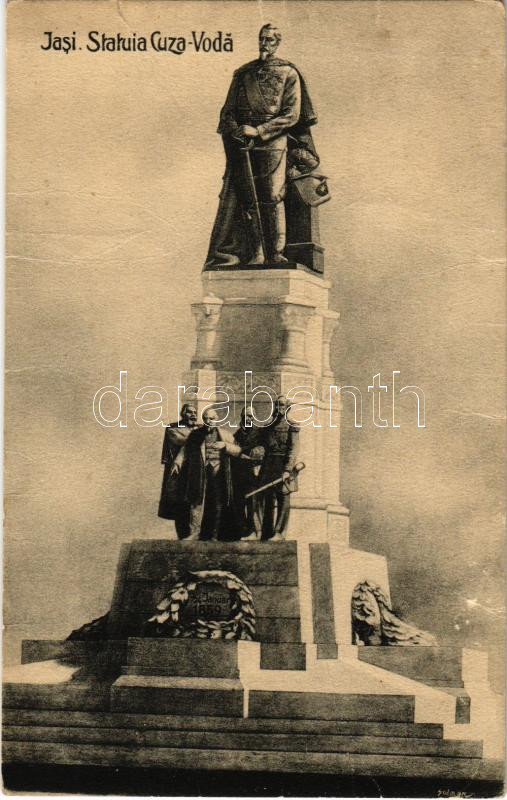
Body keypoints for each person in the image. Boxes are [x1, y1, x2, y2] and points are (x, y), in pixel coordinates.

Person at [205, 24, 321, 267]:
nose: (264, 44)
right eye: (262, 39)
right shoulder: (243, 74)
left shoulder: (289, 73)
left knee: (272, 196)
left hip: (273, 141)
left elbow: (291, 115)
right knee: (249, 199)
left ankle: (275, 252)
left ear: (277, 43)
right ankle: (256, 253)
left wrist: (259, 131)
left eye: (269, 40)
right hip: (244, 143)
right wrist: (237, 131)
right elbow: (227, 112)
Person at [171, 408, 241, 540]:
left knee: (217, 503)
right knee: (196, 501)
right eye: (206, 419)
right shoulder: (196, 434)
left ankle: (215, 534)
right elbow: (185, 449)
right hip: (200, 472)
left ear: (217, 419)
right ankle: (194, 533)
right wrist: (177, 462)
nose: (209, 421)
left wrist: (225, 446)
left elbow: (238, 450)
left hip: (219, 473)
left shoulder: (225, 435)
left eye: (211, 419)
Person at [258, 395, 300, 540]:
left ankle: (279, 533)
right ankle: (266, 532)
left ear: (287, 407)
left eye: (282, 405)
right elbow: (261, 445)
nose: (279, 408)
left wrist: (287, 469)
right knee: (268, 498)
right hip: (269, 465)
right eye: (277, 405)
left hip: (283, 466)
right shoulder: (267, 426)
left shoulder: (292, 426)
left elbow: (293, 449)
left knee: (283, 500)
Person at [157, 403, 198, 537]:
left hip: (195, 472)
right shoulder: (173, 428)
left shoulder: (199, 429)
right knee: (180, 504)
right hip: (180, 474)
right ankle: (183, 536)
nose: (193, 415)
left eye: (195, 413)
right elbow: (188, 442)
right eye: (190, 412)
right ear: (183, 414)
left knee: (195, 504)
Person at [232, 407, 265, 540]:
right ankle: (244, 531)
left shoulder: (260, 433)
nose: (248, 418)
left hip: (254, 472)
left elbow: (262, 451)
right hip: (239, 473)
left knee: (253, 503)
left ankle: (255, 531)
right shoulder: (237, 434)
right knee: (239, 502)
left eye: (251, 416)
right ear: (241, 417)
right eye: (246, 415)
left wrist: (245, 452)